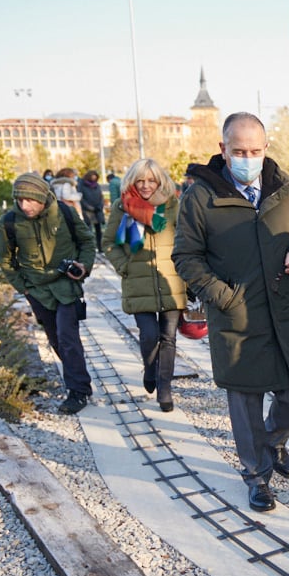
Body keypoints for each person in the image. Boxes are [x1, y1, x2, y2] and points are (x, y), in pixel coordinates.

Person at [172, 112, 289, 513]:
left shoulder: (284, 186)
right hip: (235, 315)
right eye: (239, 151)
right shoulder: (201, 195)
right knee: (246, 402)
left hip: (283, 309)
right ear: (223, 149)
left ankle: (275, 442)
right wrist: (221, 294)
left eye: (254, 150)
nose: (247, 158)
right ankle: (257, 477)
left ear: (266, 148)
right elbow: (185, 255)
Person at [0, 173, 97, 415]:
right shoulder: (10, 221)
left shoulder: (64, 213)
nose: (24, 206)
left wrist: (83, 267)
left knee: (67, 336)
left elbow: (87, 242)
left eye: (30, 200)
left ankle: (78, 391)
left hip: (66, 286)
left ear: (42, 198)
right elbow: (5, 258)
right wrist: (24, 287)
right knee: (55, 339)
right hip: (38, 291)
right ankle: (79, 378)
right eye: (20, 201)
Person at [103, 159, 188, 412]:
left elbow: (188, 238)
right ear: (132, 181)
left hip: (170, 279)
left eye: (152, 180)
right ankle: (150, 369)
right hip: (138, 281)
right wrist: (124, 266)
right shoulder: (123, 206)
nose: (146, 186)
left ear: (160, 181)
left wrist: (185, 265)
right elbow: (108, 243)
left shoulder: (174, 205)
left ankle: (165, 389)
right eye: (141, 181)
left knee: (169, 337)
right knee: (149, 334)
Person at [78, 170, 106, 249]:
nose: (94, 178)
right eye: (92, 176)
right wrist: (90, 207)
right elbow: (81, 198)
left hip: (98, 210)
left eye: (95, 177)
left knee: (98, 230)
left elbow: (101, 196)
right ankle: (91, 247)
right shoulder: (82, 185)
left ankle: (100, 247)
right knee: (89, 230)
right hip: (88, 211)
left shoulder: (97, 185)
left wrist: (100, 206)